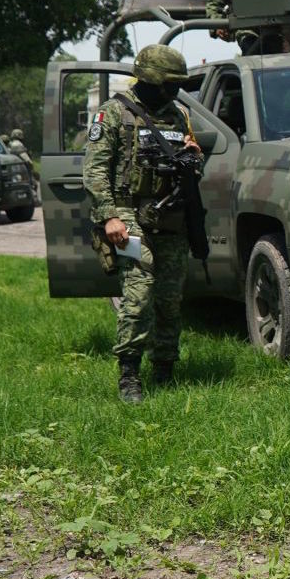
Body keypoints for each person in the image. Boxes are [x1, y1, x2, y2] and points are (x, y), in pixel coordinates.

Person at [85, 44, 209, 402]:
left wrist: (192, 157)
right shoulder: (113, 113)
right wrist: (109, 216)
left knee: (170, 298)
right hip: (127, 212)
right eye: (169, 84)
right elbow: (94, 171)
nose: (174, 90)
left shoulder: (178, 115)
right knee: (139, 294)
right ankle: (129, 375)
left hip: (170, 214)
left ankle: (165, 368)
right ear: (150, 79)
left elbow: (190, 168)